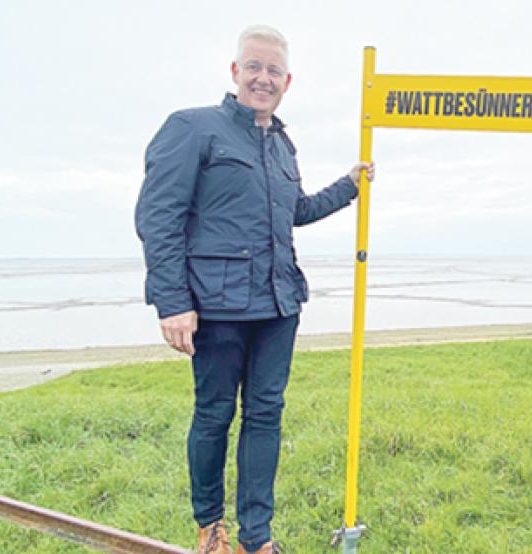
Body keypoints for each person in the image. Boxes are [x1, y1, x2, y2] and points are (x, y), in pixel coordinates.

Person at [135, 24, 375, 554]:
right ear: (235, 71)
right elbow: (159, 216)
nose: (263, 78)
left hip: (278, 304)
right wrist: (173, 302)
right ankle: (210, 528)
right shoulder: (193, 128)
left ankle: (256, 538)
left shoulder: (282, 146)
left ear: (287, 81)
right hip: (216, 307)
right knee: (215, 415)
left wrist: (349, 186)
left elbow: (296, 211)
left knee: (265, 416)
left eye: (274, 71)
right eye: (254, 67)